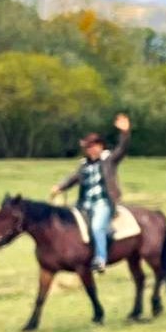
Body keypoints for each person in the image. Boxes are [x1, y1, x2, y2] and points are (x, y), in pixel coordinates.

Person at [51, 113, 131, 273]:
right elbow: (73, 178)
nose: (91, 149)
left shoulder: (109, 160)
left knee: (96, 227)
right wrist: (60, 186)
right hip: (84, 204)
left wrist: (125, 133)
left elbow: (122, 149)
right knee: (67, 221)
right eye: (88, 147)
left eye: (94, 146)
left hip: (103, 202)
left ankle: (100, 259)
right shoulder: (84, 165)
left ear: (101, 146)